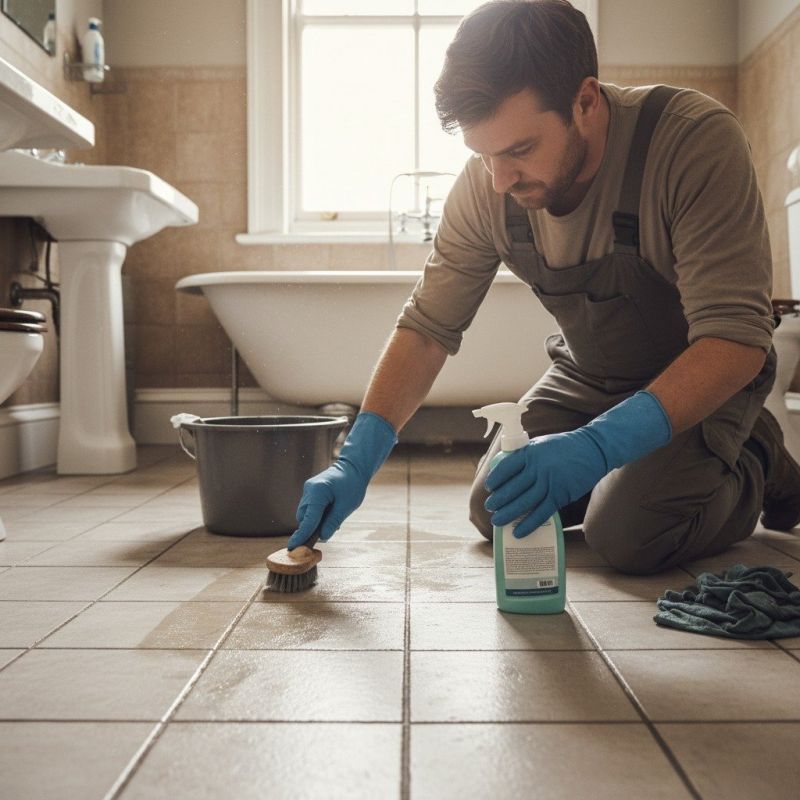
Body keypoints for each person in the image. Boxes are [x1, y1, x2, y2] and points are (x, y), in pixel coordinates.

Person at [286, 0, 800, 575]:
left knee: (628, 534)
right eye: (483, 155)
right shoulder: (488, 185)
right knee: (496, 506)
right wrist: (355, 461)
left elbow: (735, 340)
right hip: (590, 376)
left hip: (703, 379)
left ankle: (758, 456)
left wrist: (600, 446)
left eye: (520, 150)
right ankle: (649, 469)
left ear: (585, 101)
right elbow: (428, 330)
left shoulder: (691, 141)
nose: (499, 181)